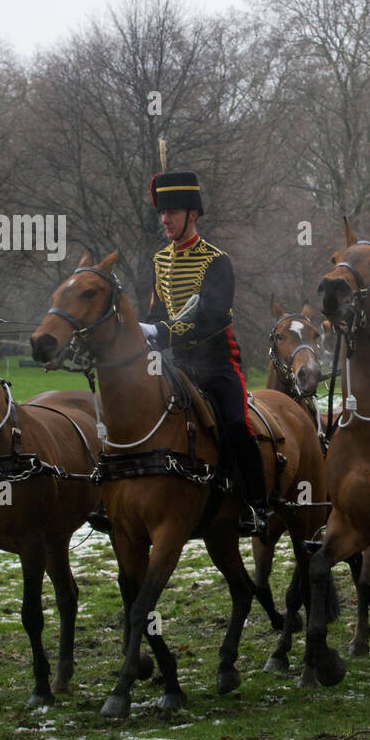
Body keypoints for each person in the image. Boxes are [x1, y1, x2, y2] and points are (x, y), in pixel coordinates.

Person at [141, 169, 269, 535]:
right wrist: (148, 330)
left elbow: (213, 317)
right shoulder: (159, 260)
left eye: (173, 212)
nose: (165, 219)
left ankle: (256, 505)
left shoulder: (216, 260)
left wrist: (162, 331)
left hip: (215, 363)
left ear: (192, 215)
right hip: (175, 365)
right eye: (162, 212)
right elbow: (157, 312)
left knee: (235, 423)